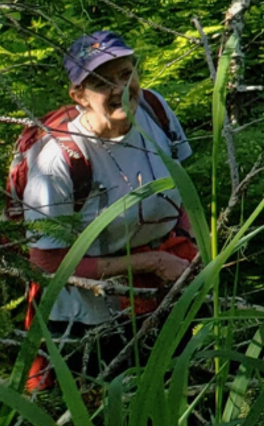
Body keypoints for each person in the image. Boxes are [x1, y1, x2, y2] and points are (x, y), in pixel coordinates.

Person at [10, 31, 197, 390]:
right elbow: (47, 264)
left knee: (171, 413)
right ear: (78, 96)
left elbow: (182, 189)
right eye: (100, 82)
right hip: (87, 319)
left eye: (126, 73)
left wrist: (192, 244)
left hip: (162, 297)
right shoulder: (57, 159)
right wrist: (154, 262)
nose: (119, 88)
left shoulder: (154, 111)